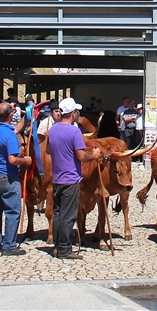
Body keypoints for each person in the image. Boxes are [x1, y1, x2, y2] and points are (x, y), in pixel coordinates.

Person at [48, 97, 102, 260]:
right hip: (70, 178)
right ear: (73, 114)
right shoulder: (74, 131)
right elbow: (80, 156)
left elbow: (49, 152)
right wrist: (93, 155)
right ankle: (64, 248)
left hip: (57, 177)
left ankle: (58, 245)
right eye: (76, 111)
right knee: (68, 215)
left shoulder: (53, 130)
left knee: (58, 213)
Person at [0, 102, 32, 256]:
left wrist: (27, 117)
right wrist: (25, 161)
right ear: (11, 115)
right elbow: (12, 159)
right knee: (13, 211)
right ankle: (9, 245)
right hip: (7, 176)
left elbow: (15, 128)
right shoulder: (10, 136)